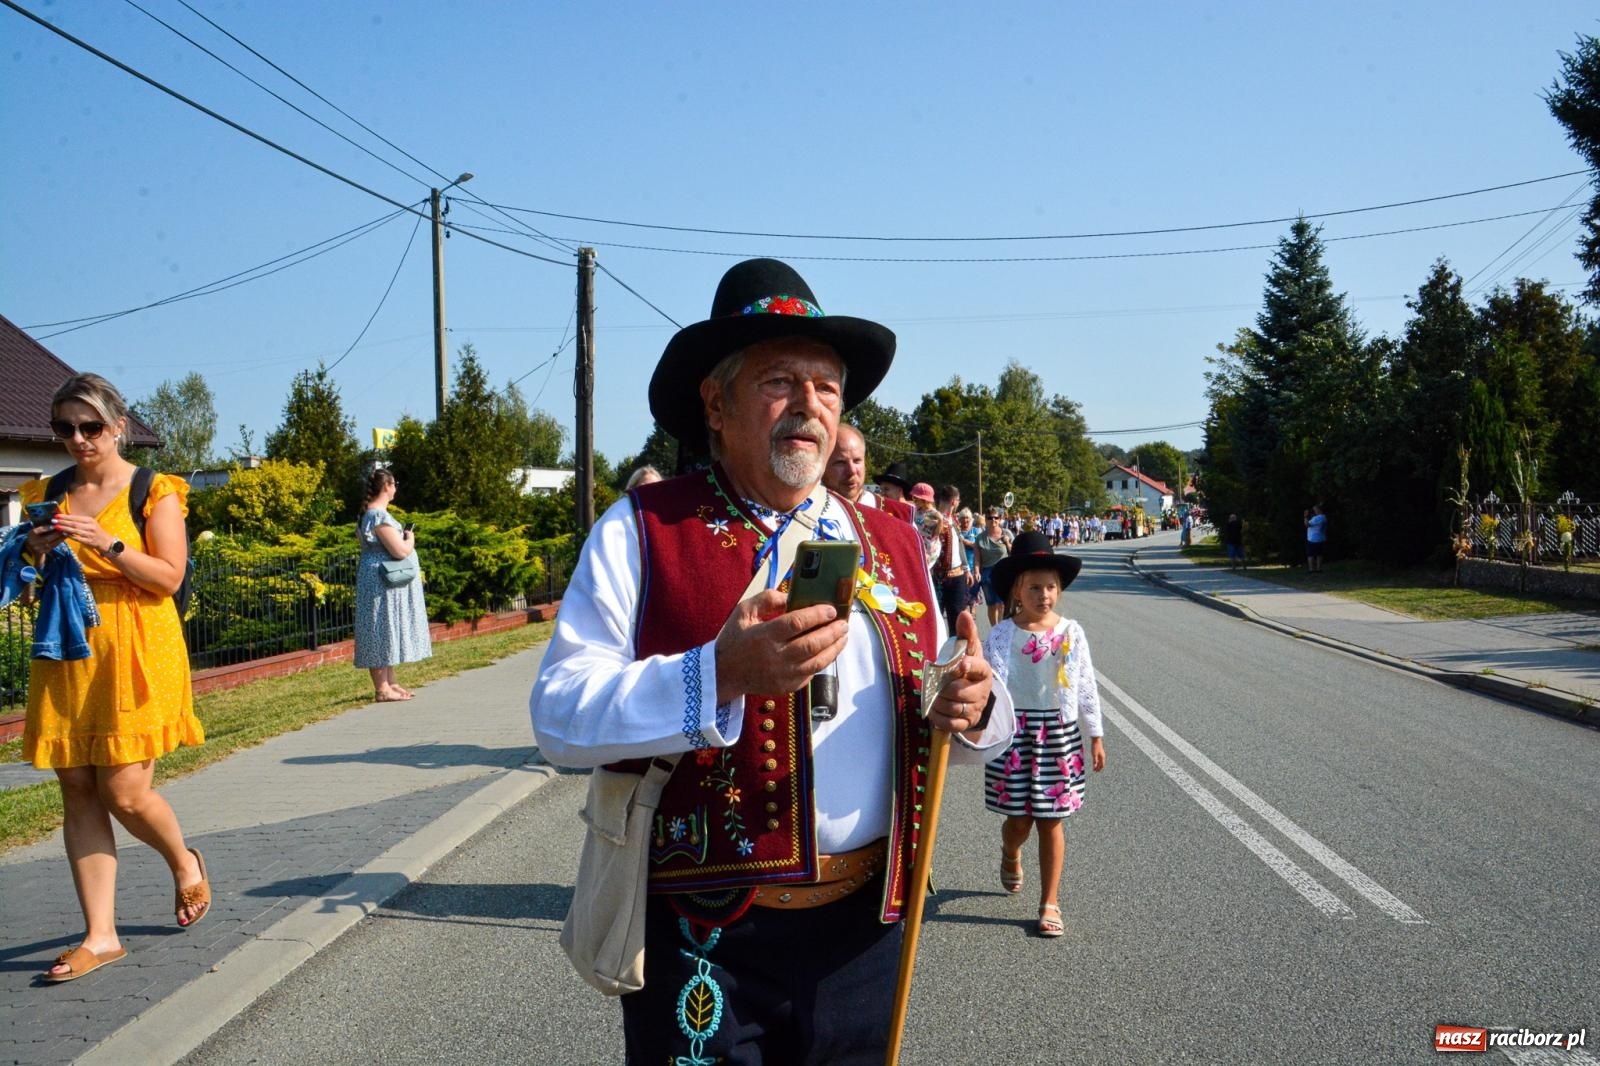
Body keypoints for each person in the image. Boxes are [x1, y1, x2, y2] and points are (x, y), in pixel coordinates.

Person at [529, 257, 1014, 1063]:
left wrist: (973, 705)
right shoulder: (645, 527)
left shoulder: (893, 540)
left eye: (826, 387)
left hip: (868, 929)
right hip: (703, 933)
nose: (810, 406)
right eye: (779, 381)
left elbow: (944, 698)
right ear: (715, 404)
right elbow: (558, 715)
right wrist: (716, 674)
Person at [19, 373, 209, 983]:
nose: (77, 439)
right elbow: (29, 577)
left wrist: (108, 542)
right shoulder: (46, 492)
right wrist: (37, 552)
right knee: (76, 785)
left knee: (123, 792)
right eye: (64, 428)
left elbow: (170, 577)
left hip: (135, 647)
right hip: (68, 649)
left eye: (90, 426)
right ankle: (100, 937)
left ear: (118, 426)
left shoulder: (154, 490)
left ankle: (183, 862)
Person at [982, 531, 1105, 939]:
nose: (1044, 595)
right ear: (1017, 590)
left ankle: (1049, 901)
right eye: (1034, 587)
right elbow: (987, 686)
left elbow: (1085, 684)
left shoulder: (1070, 632)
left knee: (1052, 820)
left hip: (1057, 735)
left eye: (1051, 586)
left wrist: (1095, 734)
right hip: (1014, 738)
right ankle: (1010, 850)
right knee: (1019, 819)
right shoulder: (1001, 635)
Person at [353, 468, 432, 701]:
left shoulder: (371, 514)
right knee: (379, 628)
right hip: (380, 582)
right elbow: (399, 551)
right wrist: (410, 539)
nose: (396, 488)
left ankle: (390, 682)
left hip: (382, 581)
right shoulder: (377, 515)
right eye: (394, 483)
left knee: (387, 628)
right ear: (386, 486)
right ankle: (382, 688)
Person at [823, 423, 915, 524]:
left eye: (857, 461)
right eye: (841, 462)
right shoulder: (807, 510)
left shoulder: (900, 515)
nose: (852, 470)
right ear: (822, 465)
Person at [975, 509, 1012, 626]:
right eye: (990, 518)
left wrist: (1007, 543)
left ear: (1000, 519)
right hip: (987, 574)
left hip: (1004, 572)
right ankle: (994, 630)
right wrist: (976, 572)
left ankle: (1001, 629)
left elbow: (1014, 554)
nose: (993, 520)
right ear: (985, 520)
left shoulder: (1006, 533)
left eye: (996, 518)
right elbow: (977, 559)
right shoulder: (980, 538)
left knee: (1002, 604)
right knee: (992, 605)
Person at [1305, 504, 1327, 573]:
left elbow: (1307, 525)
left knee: (1310, 554)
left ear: (1319, 509)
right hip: (1321, 538)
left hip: (1313, 539)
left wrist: (1305, 516)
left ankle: (1311, 569)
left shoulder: (1318, 518)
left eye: (1315, 509)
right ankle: (1318, 569)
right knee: (1319, 554)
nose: (1314, 511)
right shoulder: (1323, 517)